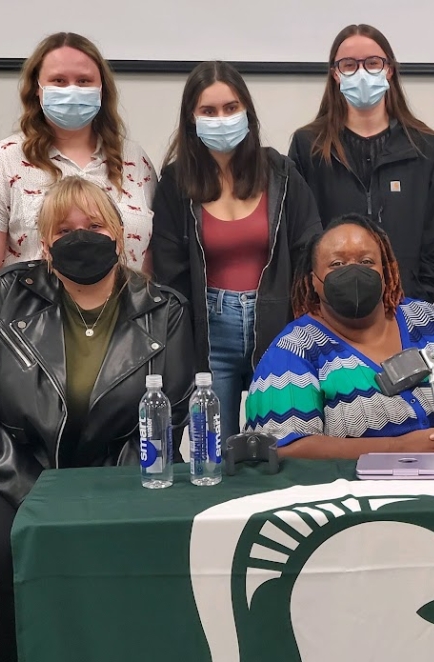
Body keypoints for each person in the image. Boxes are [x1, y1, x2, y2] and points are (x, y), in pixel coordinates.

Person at [0, 177, 194, 662]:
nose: (83, 237)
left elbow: (165, 419)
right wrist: (36, 493)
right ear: (45, 244)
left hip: (118, 477)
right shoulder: (11, 293)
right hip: (6, 468)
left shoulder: (163, 308)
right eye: (65, 230)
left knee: (152, 551)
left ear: (121, 231)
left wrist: (103, 501)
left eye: (96, 225)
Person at [245, 214, 434, 456]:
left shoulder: (431, 320)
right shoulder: (294, 350)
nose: (354, 272)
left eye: (367, 261)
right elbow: (284, 447)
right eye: (337, 265)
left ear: (386, 271)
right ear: (313, 282)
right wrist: (397, 449)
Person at [151, 61, 322, 442]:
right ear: (191, 119)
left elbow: (310, 246)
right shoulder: (176, 183)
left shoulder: (280, 172)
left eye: (230, 108)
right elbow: (169, 273)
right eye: (208, 111)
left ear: (247, 111)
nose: (221, 119)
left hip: (279, 323)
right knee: (215, 447)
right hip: (210, 331)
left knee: (284, 441)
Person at [0, 31, 156, 307]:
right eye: (59, 81)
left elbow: (148, 258)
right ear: (37, 89)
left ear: (102, 89)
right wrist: (5, 338)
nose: (72, 90)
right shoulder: (3, 161)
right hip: (32, 333)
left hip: (123, 331)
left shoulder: (135, 161)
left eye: (84, 81)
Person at [288, 24, 434, 303]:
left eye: (372, 63)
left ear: (389, 69)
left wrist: (419, 298)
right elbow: (300, 239)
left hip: (408, 305)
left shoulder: (423, 145)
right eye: (349, 65)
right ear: (335, 74)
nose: (362, 72)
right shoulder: (309, 146)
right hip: (332, 309)